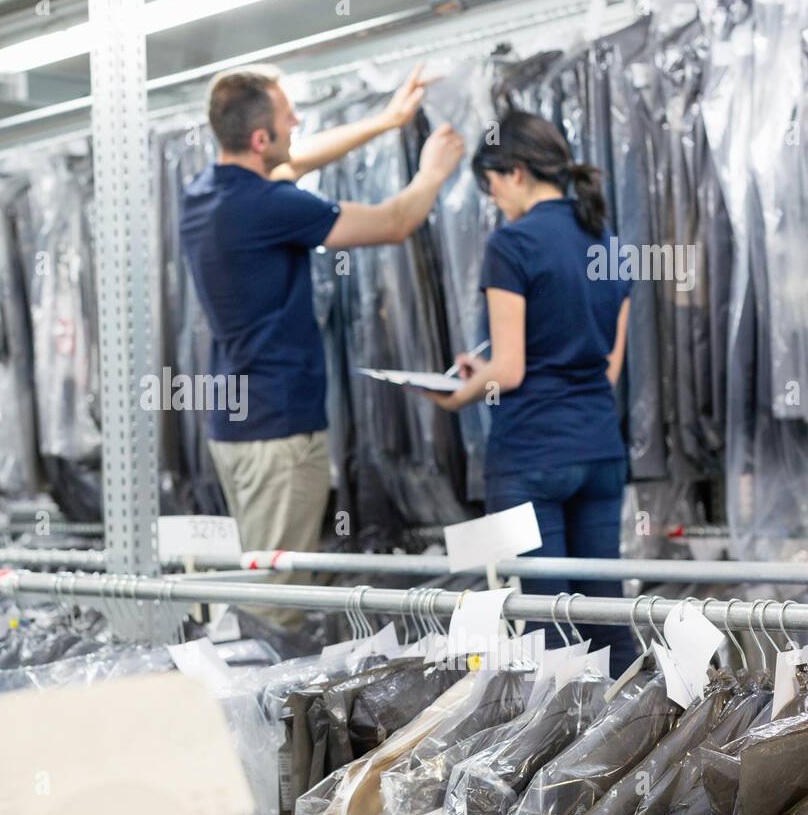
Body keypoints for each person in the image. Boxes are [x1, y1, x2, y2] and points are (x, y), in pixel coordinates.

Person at [180, 62, 465, 628]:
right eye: (290, 118)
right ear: (260, 139)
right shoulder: (271, 206)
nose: (299, 125)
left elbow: (299, 157)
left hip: (240, 430)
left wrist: (387, 121)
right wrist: (432, 172)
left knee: (265, 584)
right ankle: (259, 713)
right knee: (276, 607)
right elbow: (394, 221)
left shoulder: (206, 193)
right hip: (279, 436)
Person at [421, 111, 636, 674]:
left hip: (531, 454)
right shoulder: (609, 243)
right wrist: (490, 368)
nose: (494, 202)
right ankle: (632, 747)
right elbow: (606, 369)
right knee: (605, 616)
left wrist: (459, 392)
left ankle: (557, 758)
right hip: (598, 449)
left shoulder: (511, 245)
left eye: (490, 186)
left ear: (514, 172)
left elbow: (511, 370)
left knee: (547, 630)